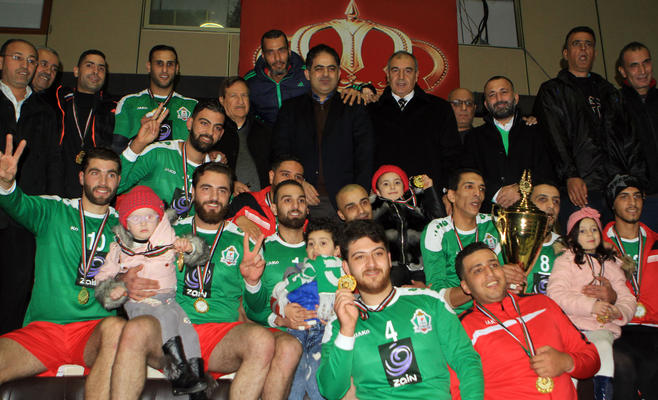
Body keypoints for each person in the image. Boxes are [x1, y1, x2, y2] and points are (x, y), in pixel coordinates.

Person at [111, 162, 302, 400]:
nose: (214, 197)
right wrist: (123, 279)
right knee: (134, 328)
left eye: (222, 190)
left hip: (222, 335)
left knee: (263, 340)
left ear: (230, 196)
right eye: (206, 189)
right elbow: (122, 265)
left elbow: (254, 310)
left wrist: (252, 282)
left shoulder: (245, 240)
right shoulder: (165, 232)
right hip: (171, 331)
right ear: (193, 192)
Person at [0, 144, 126, 399]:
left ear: (118, 180)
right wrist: (6, 184)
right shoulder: (54, 210)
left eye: (111, 174)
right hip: (44, 332)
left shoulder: (126, 227)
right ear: (81, 177)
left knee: (117, 329)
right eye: (95, 173)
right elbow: (17, 204)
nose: (103, 182)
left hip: (94, 333)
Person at [316, 220, 484, 399]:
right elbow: (331, 391)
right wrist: (347, 330)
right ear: (346, 268)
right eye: (360, 257)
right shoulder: (338, 324)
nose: (371, 263)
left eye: (378, 253)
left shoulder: (430, 302)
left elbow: (466, 360)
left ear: (389, 259)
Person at [94, 185, 209, 397]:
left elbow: (195, 253)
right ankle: (179, 373)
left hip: (169, 301)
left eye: (150, 216)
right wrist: (113, 290)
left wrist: (188, 246)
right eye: (136, 218)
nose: (144, 222)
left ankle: (196, 382)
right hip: (141, 302)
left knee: (189, 332)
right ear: (126, 223)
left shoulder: (167, 240)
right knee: (166, 319)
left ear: (159, 219)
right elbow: (103, 275)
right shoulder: (120, 248)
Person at [452, 242, 600, 399]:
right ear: (466, 287)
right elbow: (456, 392)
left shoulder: (543, 304)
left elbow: (591, 358)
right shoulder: (462, 329)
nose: (490, 273)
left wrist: (567, 362)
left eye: (494, 265)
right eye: (478, 270)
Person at [533, 26, 644, 227]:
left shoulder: (610, 92)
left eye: (588, 44)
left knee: (615, 244)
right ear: (566, 53)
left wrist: (636, 181)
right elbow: (554, 138)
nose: (583, 48)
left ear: (594, 53)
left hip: (615, 187)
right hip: (579, 188)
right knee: (582, 242)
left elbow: (630, 139)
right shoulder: (552, 91)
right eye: (577, 44)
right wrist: (570, 175)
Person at [0, 38, 62, 335]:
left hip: (25, 216)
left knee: (15, 293)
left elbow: (52, 162)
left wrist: (49, 212)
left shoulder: (45, 111)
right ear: (1, 61)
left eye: (31, 60)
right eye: (17, 57)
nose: (25, 65)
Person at [272, 43, 374, 217]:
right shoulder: (290, 109)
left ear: (339, 74)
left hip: (345, 203)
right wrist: (298, 182)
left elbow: (365, 156)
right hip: (301, 201)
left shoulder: (354, 107)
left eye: (331, 69)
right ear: (307, 74)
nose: (325, 74)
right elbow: (280, 153)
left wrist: (357, 197)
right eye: (319, 68)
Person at [547, 207, 636, 400]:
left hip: (600, 327)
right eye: (583, 230)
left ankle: (602, 394)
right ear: (572, 237)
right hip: (570, 327)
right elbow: (555, 294)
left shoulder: (612, 265)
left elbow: (627, 298)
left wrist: (618, 311)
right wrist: (591, 306)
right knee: (568, 366)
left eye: (594, 229)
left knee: (603, 346)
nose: (590, 234)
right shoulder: (566, 261)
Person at [271, 217, 343, 400]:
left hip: (324, 333)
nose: (315, 248)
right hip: (296, 331)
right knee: (294, 374)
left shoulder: (343, 276)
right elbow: (275, 299)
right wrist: (284, 311)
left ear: (337, 250)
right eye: (311, 244)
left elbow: (355, 306)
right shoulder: (294, 273)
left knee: (316, 376)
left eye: (323, 243)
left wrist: (336, 314)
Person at [367, 51, 462, 191]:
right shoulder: (371, 111)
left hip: (429, 195)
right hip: (384, 196)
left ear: (416, 75)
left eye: (408, 71)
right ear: (387, 74)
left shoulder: (440, 109)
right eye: (395, 70)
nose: (401, 77)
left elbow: (452, 157)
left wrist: (444, 190)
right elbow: (363, 157)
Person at [602, 175, 658, 399]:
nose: (632, 202)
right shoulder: (598, 246)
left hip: (654, 327)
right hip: (616, 327)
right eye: (624, 196)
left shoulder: (656, 242)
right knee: (623, 368)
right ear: (612, 204)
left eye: (637, 196)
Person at [117, 99, 225, 216]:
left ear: (221, 134)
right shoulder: (158, 153)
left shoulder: (216, 173)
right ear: (189, 123)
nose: (210, 132)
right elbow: (115, 187)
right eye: (204, 123)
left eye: (217, 128)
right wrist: (139, 143)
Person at [464, 76, 555, 208]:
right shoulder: (474, 137)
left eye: (504, 92)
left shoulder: (536, 132)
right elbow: (469, 174)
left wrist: (521, 189)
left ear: (516, 98)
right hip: (487, 212)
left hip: (531, 210)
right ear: (486, 105)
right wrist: (497, 194)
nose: (499, 99)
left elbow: (548, 171)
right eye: (492, 95)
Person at [421, 169, 504, 313]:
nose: (477, 193)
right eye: (469, 187)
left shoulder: (495, 224)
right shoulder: (437, 230)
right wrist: (476, 287)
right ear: (452, 196)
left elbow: (503, 274)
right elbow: (436, 292)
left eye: (482, 189)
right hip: (456, 315)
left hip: (493, 308)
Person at [243, 180, 311, 328]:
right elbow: (253, 309)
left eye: (301, 200)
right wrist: (279, 320)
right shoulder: (261, 249)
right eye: (287, 200)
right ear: (274, 208)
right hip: (277, 333)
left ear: (307, 208)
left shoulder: (321, 248)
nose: (295, 206)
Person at [112, 44, 197, 152]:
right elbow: (117, 150)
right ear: (149, 66)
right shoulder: (129, 102)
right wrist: (140, 135)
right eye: (159, 63)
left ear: (177, 68)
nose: (165, 69)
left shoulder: (193, 106)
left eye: (170, 64)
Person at [55, 49, 116, 198]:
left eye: (101, 68)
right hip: (58, 189)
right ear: (76, 71)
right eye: (89, 65)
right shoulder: (57, 100)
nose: (96, 71)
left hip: (96, 193)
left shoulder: (114, 108)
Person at [370, 164, 443, 286]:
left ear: (404, 187)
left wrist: (429, 190)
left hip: (419, 265)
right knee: (392, 291)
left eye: (397, 182)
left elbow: (437, 219)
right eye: (386, 184)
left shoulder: (415, 204)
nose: (392, 187)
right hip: (392, 266)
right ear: (377, 191)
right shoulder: (374, 208)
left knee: (424, 291)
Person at [617, 42, 658, 232]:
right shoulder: (614, 105)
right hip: (642, 201)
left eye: (646, 63)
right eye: (634, 65)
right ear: (623, 71)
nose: (642, 70)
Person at [214, 76, 272, 192]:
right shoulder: (214, 131)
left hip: (262, 199)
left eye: (244, 95)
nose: (240, 101)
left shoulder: (264, 131)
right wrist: (229, 184)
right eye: (234, 96)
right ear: (222, 100)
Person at [226, 155, 305, 238]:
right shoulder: (245, 201)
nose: (291, 180)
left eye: (298, 177)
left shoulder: (302, 213)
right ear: (272, 176)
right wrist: (236, 220)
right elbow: (220, 229)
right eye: (285, 174)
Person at [244, 29, 309, 125]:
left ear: (289, 51)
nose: (277, 58)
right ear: (263, 56)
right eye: (270, 52)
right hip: (267, 133)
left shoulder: (307, 75)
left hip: (303, 133)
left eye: (281, 51)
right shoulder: (250, 82)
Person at [520, 182, 565, 294]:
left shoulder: (568, 247)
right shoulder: (507, 243)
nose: (551, 206)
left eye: (556, 201)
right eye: (542, 199)